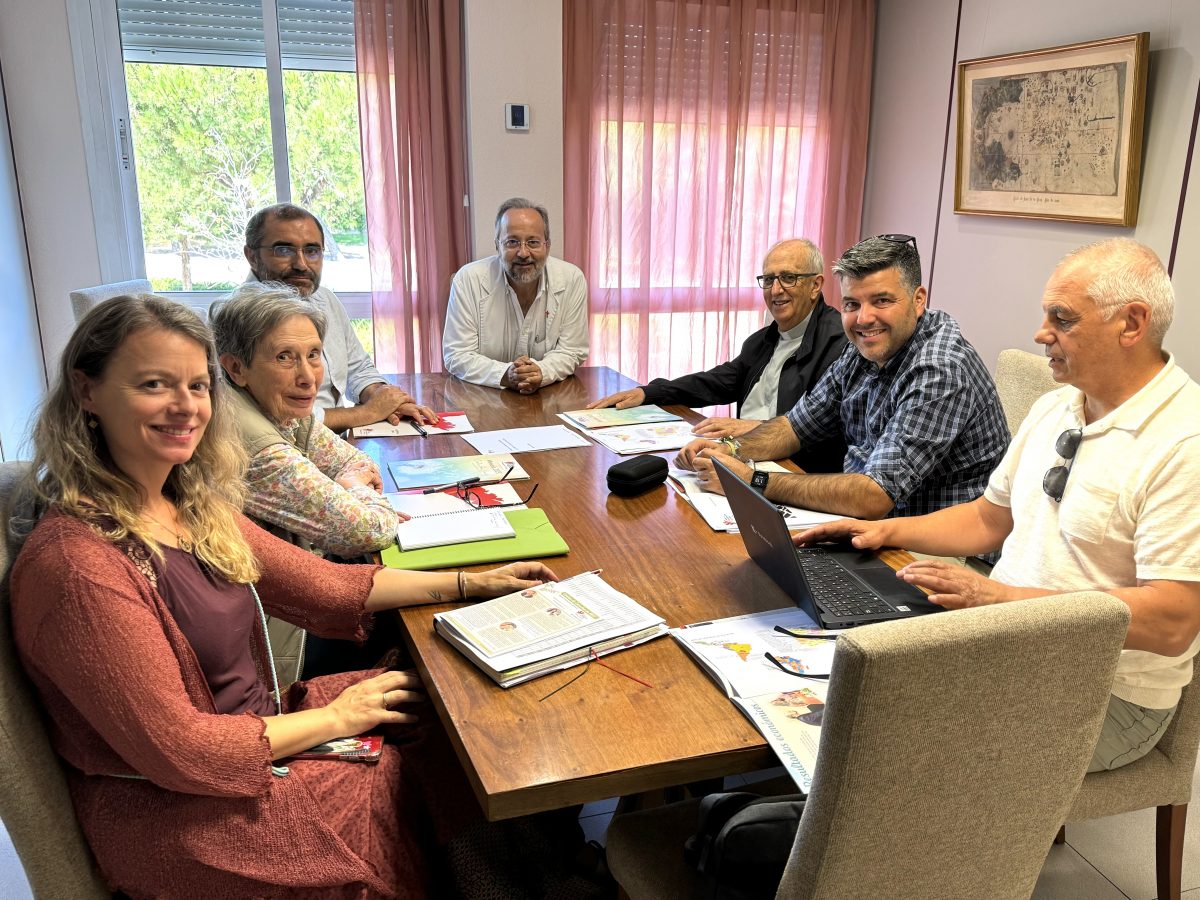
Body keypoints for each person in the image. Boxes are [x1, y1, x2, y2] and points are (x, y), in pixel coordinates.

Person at [9, 293, 558, 898]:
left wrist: (470, 582)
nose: (186, 407)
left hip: (258, 736)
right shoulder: (76, 566)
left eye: (197, 386)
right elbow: (180, 751)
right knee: (394, 776)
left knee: (444, 710)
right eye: (154, 384)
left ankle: (509, 881)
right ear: (87, 392)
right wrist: (339, 717)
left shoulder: (186, 504)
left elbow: (325, 585)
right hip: (183, 813)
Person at [796, 238, 1200, 772]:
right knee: (829, 690)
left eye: (1062, 318)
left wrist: (998, 599)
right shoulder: (1058, 405)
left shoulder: (1183, 443)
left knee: (881, 745)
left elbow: (1174, 622)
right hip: (1004, 642)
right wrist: (886, 532)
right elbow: (989, 519)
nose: (1041, 333)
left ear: (1132, 324)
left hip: (1106, 693)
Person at [676, 234, 1008, 522]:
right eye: (852, 303)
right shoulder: (862, 348)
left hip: (935, 545)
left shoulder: (940, 368)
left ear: (918, 300)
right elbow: (795, 427)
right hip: (877, 522)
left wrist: (752, 480)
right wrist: (729, 449)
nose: (864, 319)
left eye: (881, 301)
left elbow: (874, 494)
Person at [211, 283, 407, 682]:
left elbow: (352, 460)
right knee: (420, 623)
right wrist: (352, 490)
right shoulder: (252, 441)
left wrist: (352, 483)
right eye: (285, 357)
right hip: (276, 646)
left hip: (285, 602)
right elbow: (369, 529)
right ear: (236, 368)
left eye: (314, 355)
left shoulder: (276, 402)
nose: (307, 377)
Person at [587, 238, 848, 472]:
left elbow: (827, 427)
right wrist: (649, 393)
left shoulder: (841, 346)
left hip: (795, 472)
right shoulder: (763, 341)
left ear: (815, 285)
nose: (776, 290)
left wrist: (758, 427)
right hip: (742, 456)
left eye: (788, 278)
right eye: (768, 280)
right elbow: (714, 382)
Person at [245, 202, 436, 431]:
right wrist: (368, 412)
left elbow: (358, 368)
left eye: (312, 251)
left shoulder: (325, 299)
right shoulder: (240, 316)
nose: (301, 264)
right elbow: (278, 418)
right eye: (283, 250)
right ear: (252, 256)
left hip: (338, 443)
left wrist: (384, 397)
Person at [442, 198, 589, 392]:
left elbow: (572, 350)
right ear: (497, 246)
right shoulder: (468, 279)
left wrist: (541, 371)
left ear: (547, 246)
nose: (523, 252)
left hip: (550, 396)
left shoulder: (571, 279)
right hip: (483, 399)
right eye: (512, 242)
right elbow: (457, 354)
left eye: (533, 242)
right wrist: (505, 374)